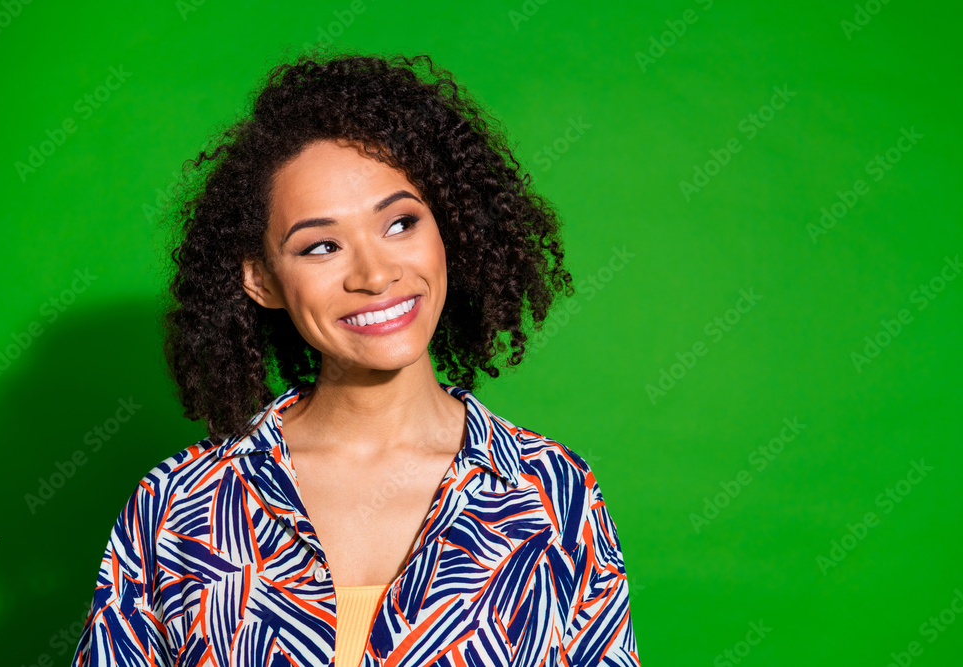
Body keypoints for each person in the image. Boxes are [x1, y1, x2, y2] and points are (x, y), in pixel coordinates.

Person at [71, 48, 640, 667]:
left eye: (399, 224)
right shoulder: (178, 503)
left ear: (446, 228)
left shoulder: (554, 492)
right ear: (261, 280)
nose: (375, 274)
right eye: (321, 246)